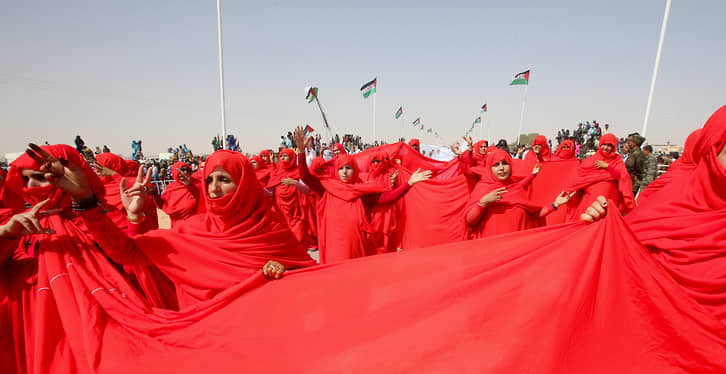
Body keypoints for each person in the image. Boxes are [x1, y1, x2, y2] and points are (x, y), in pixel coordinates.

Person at [580, 97, 726, 339]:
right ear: (710, 152)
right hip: (665, 360)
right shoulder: (663, 209)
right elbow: (617, 287)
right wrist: (599, 235)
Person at [27, 147, 315, 309]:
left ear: (244, 186)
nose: (213, 189)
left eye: (224, 180)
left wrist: (281, 273)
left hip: (259, 340)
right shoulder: (190, 232)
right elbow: (128, 253)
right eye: (210, 179)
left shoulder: (272, 232)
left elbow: (308, 282)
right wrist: (85, 201)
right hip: (207, 342)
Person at [296, 127, 431, 263]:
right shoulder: (327, 187)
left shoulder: (361, 190)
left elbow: (387, 197)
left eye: (348, 168)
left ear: (354, 170)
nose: (344, 172)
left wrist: (409, 183)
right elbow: (306, 177)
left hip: (357, 243)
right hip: (335, 244)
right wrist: (301, 153)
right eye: (341, 168)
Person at [464, 148, 572, 237]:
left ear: (510, 166)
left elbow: (533, 216)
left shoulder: (517, 189)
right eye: (496, 165)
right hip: (492, 249)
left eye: (505, 163)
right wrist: (483, 202)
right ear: (489, 168)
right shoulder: (483, 189)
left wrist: (555, 205)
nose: (501, 168)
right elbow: (470, 221)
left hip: (518, 246)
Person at [563, 133, 634, 222]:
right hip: (588, 200)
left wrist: (607, 166)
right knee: (585, 223)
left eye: (609, 145)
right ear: (600, 144)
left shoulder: (617, 160)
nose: (606, 148)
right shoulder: (589, 161)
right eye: (604, 144)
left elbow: (622, 177)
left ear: (613, 147)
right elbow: (580, 179)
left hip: (607, 201)